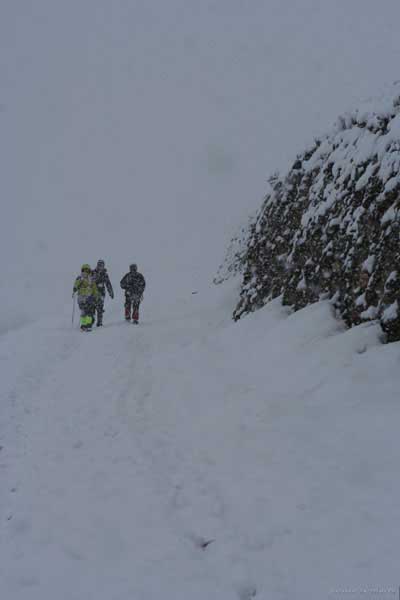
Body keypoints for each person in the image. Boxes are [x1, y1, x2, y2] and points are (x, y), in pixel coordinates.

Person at [73, 264, 99, 331]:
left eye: (87, 270)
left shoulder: (91, 279)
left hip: (88, 297)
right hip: (82, 297)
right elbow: (76, 284)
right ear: (82, 270)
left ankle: (86, 324)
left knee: (86, 311)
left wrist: (96, 295)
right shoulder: (80, 278)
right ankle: (86, 324)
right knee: (86, 311)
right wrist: (75, 288)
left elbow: (94, 288)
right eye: (84, 270)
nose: (85, 272)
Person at [91, 259, 114, 326]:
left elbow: (108, 284)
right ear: (97, 265)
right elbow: (87, 280)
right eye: (99, 265)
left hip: (101, 293)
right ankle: (91, 321)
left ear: (103, 266)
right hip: (92, 293)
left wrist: (111, 292)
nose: (100, 266)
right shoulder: (92, 272)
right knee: (91, 308)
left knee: (100, 308)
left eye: (101, 265)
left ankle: (99, 322)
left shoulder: (105, 274)